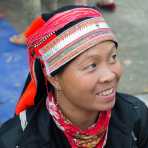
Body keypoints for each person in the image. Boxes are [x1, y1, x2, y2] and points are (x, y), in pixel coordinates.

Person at [0, 5, 148, 148]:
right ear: (54, 78)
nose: (109, 76)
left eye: (113, 57)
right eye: (92, 65)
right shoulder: (16, 141)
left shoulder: (136, 116)